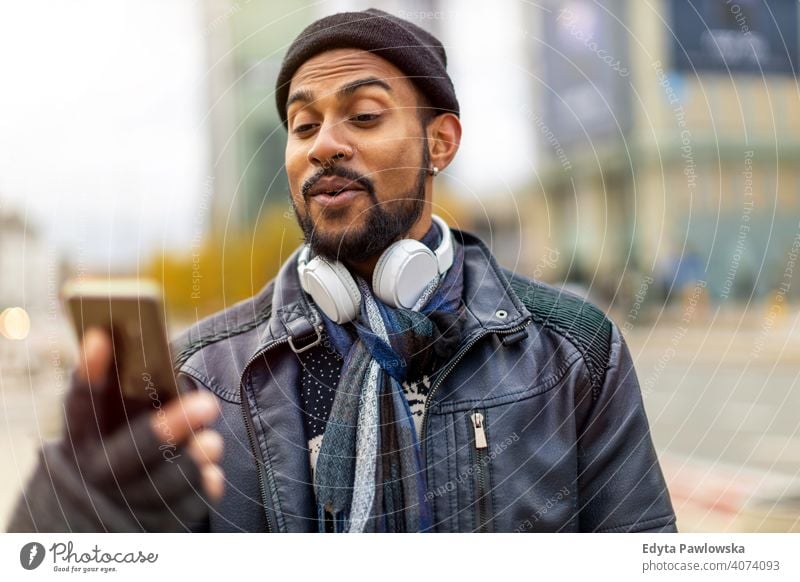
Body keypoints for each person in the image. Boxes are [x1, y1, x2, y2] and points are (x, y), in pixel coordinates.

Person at [7, 8, 676, 533]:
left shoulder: (574, 352)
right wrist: (76, 520)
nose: (325, 145)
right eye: (303, 126)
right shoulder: (200, 379)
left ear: (440, 142)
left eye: (363, 115)